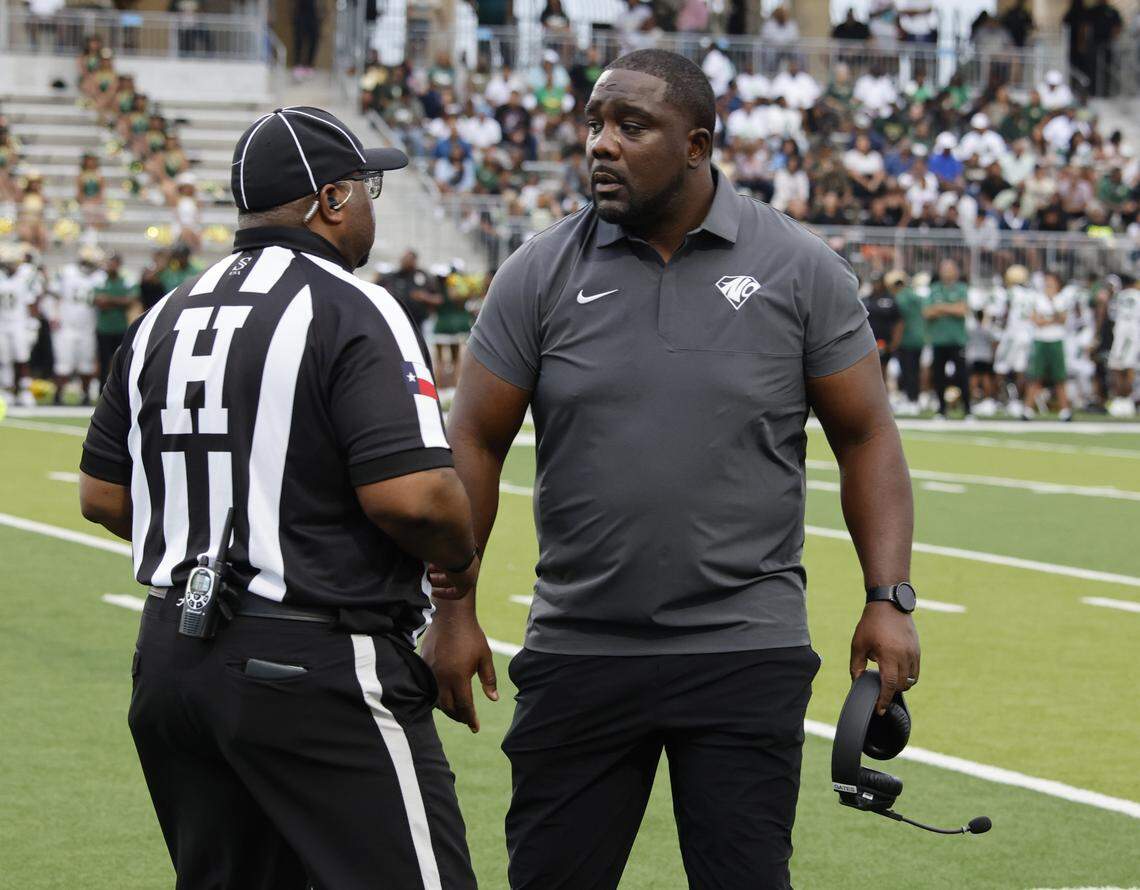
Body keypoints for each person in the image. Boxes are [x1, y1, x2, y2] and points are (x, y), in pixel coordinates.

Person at [422, 50, 920, 890]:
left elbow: (867, 434)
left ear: (696, 146)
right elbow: (473, 440)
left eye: (630, 126)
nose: (600, 145)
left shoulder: (798, 266)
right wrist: (453, 607)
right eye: (593, 124)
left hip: (743, 647)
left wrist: (888, 598)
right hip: (579, 646)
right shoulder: (537, 273)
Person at [77, 107, 480, 889]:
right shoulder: (353, 305)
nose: (371, 204)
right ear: (329, 201)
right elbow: (419, 500)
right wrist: (458, 572)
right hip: (310, 657)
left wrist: (207, 535)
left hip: (172, 659)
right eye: (365, 188)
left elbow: (102, 494)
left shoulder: (166, 310)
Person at [50, 245, 106, 405]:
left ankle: (86, 394)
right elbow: (55, 296)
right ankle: (58, 394)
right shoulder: (67, 273)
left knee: (86, 364)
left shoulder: (100, 277)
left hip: (87, 326)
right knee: (63, 364)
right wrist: (54, 316)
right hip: (66, 325)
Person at [924, 258, 971, 417]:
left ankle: (968, 409)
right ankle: (941, 410)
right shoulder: (934, 288)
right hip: (939, 340)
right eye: (944, 269)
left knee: (962, 375)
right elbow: (927, 312)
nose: (947, 272)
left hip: (957, 340)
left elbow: (962, 310)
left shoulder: (961, 288)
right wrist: (951, 307)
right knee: (938, 376)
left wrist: (941, 307)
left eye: (950, 269)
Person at [1025, 270, 1073, 419]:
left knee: (1060, 377)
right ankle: (1028, 410)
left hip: (1056, 340)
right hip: (1040, 340)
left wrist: (1048, 317)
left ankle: (1065, 410)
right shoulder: (1037, 298)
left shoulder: (1061, 299)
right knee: (1035, 376)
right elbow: (1036, 320)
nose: (1048, 284)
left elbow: (1063, 318)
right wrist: (1052, 318)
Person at [92, 252, 136, 392]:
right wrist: (118, 300)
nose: (111, 266)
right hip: (104, 328)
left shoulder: (125, 280)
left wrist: (109, 300)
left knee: (120, 363)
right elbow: (98, 301)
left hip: (120, 327)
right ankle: (101, 392)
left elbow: (130, 301)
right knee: (103, 362)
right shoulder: (100, 280)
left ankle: (118, 392)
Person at [888, 269, 925, 412]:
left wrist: (894, 341)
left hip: (906, 339)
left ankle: (910, 399)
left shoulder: (900, 298)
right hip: (918, 338)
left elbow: (899, 320)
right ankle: (914, 399)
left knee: (907, 371)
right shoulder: (915, 296)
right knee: (915, 370)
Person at [863, 274, 903, 383]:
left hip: (884, 341)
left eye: (878, 282)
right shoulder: (866, 299)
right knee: (867, 369)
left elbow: (898, 321)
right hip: (867, 341)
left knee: (882, 368)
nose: (876, 285)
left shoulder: (890, 299)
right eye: (874, 282)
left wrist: (895, 341)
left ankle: (882, 394)